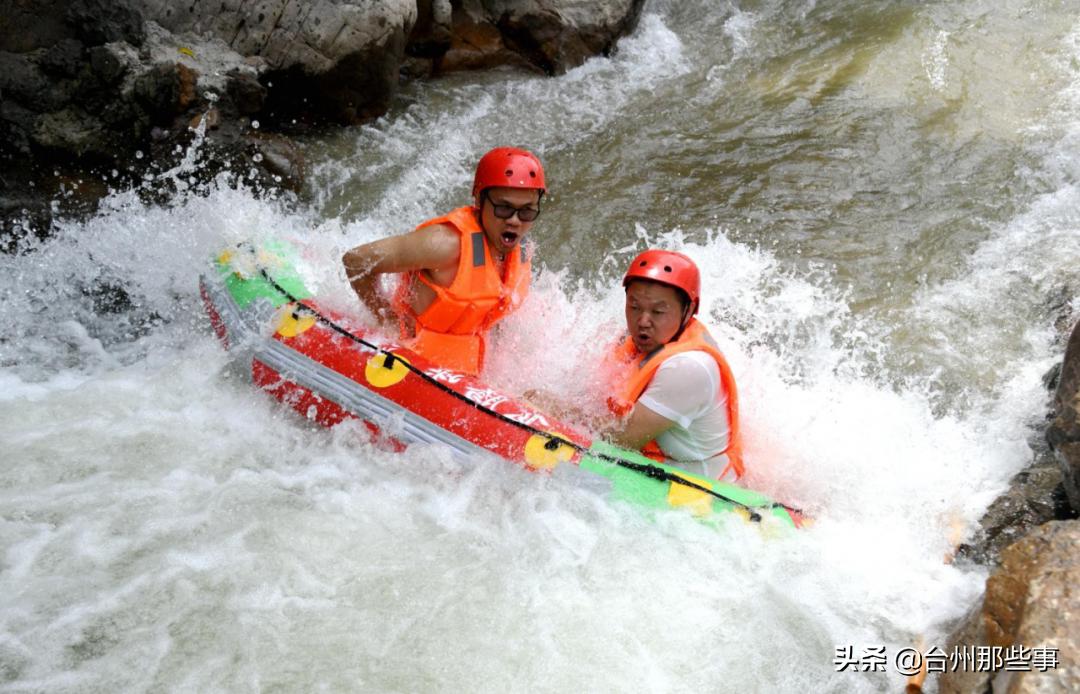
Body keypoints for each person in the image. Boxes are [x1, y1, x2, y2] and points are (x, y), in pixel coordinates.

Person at [342, 147, 545, 375]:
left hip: (462, 365)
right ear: (479, 200)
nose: (515, 221)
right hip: (410, 360)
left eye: (527, 211)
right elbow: (356, 260)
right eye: (504, 208)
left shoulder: (522, 251)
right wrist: (384, 318)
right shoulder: (445, 244)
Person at [604, 250, 745, 481]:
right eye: (634, 306)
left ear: (688, 311)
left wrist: (556, 411)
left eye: (658, 312)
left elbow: (617, 441)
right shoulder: (633, 341)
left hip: (702, 494)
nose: (643, 321)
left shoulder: (688, 368)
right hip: (658, 471)